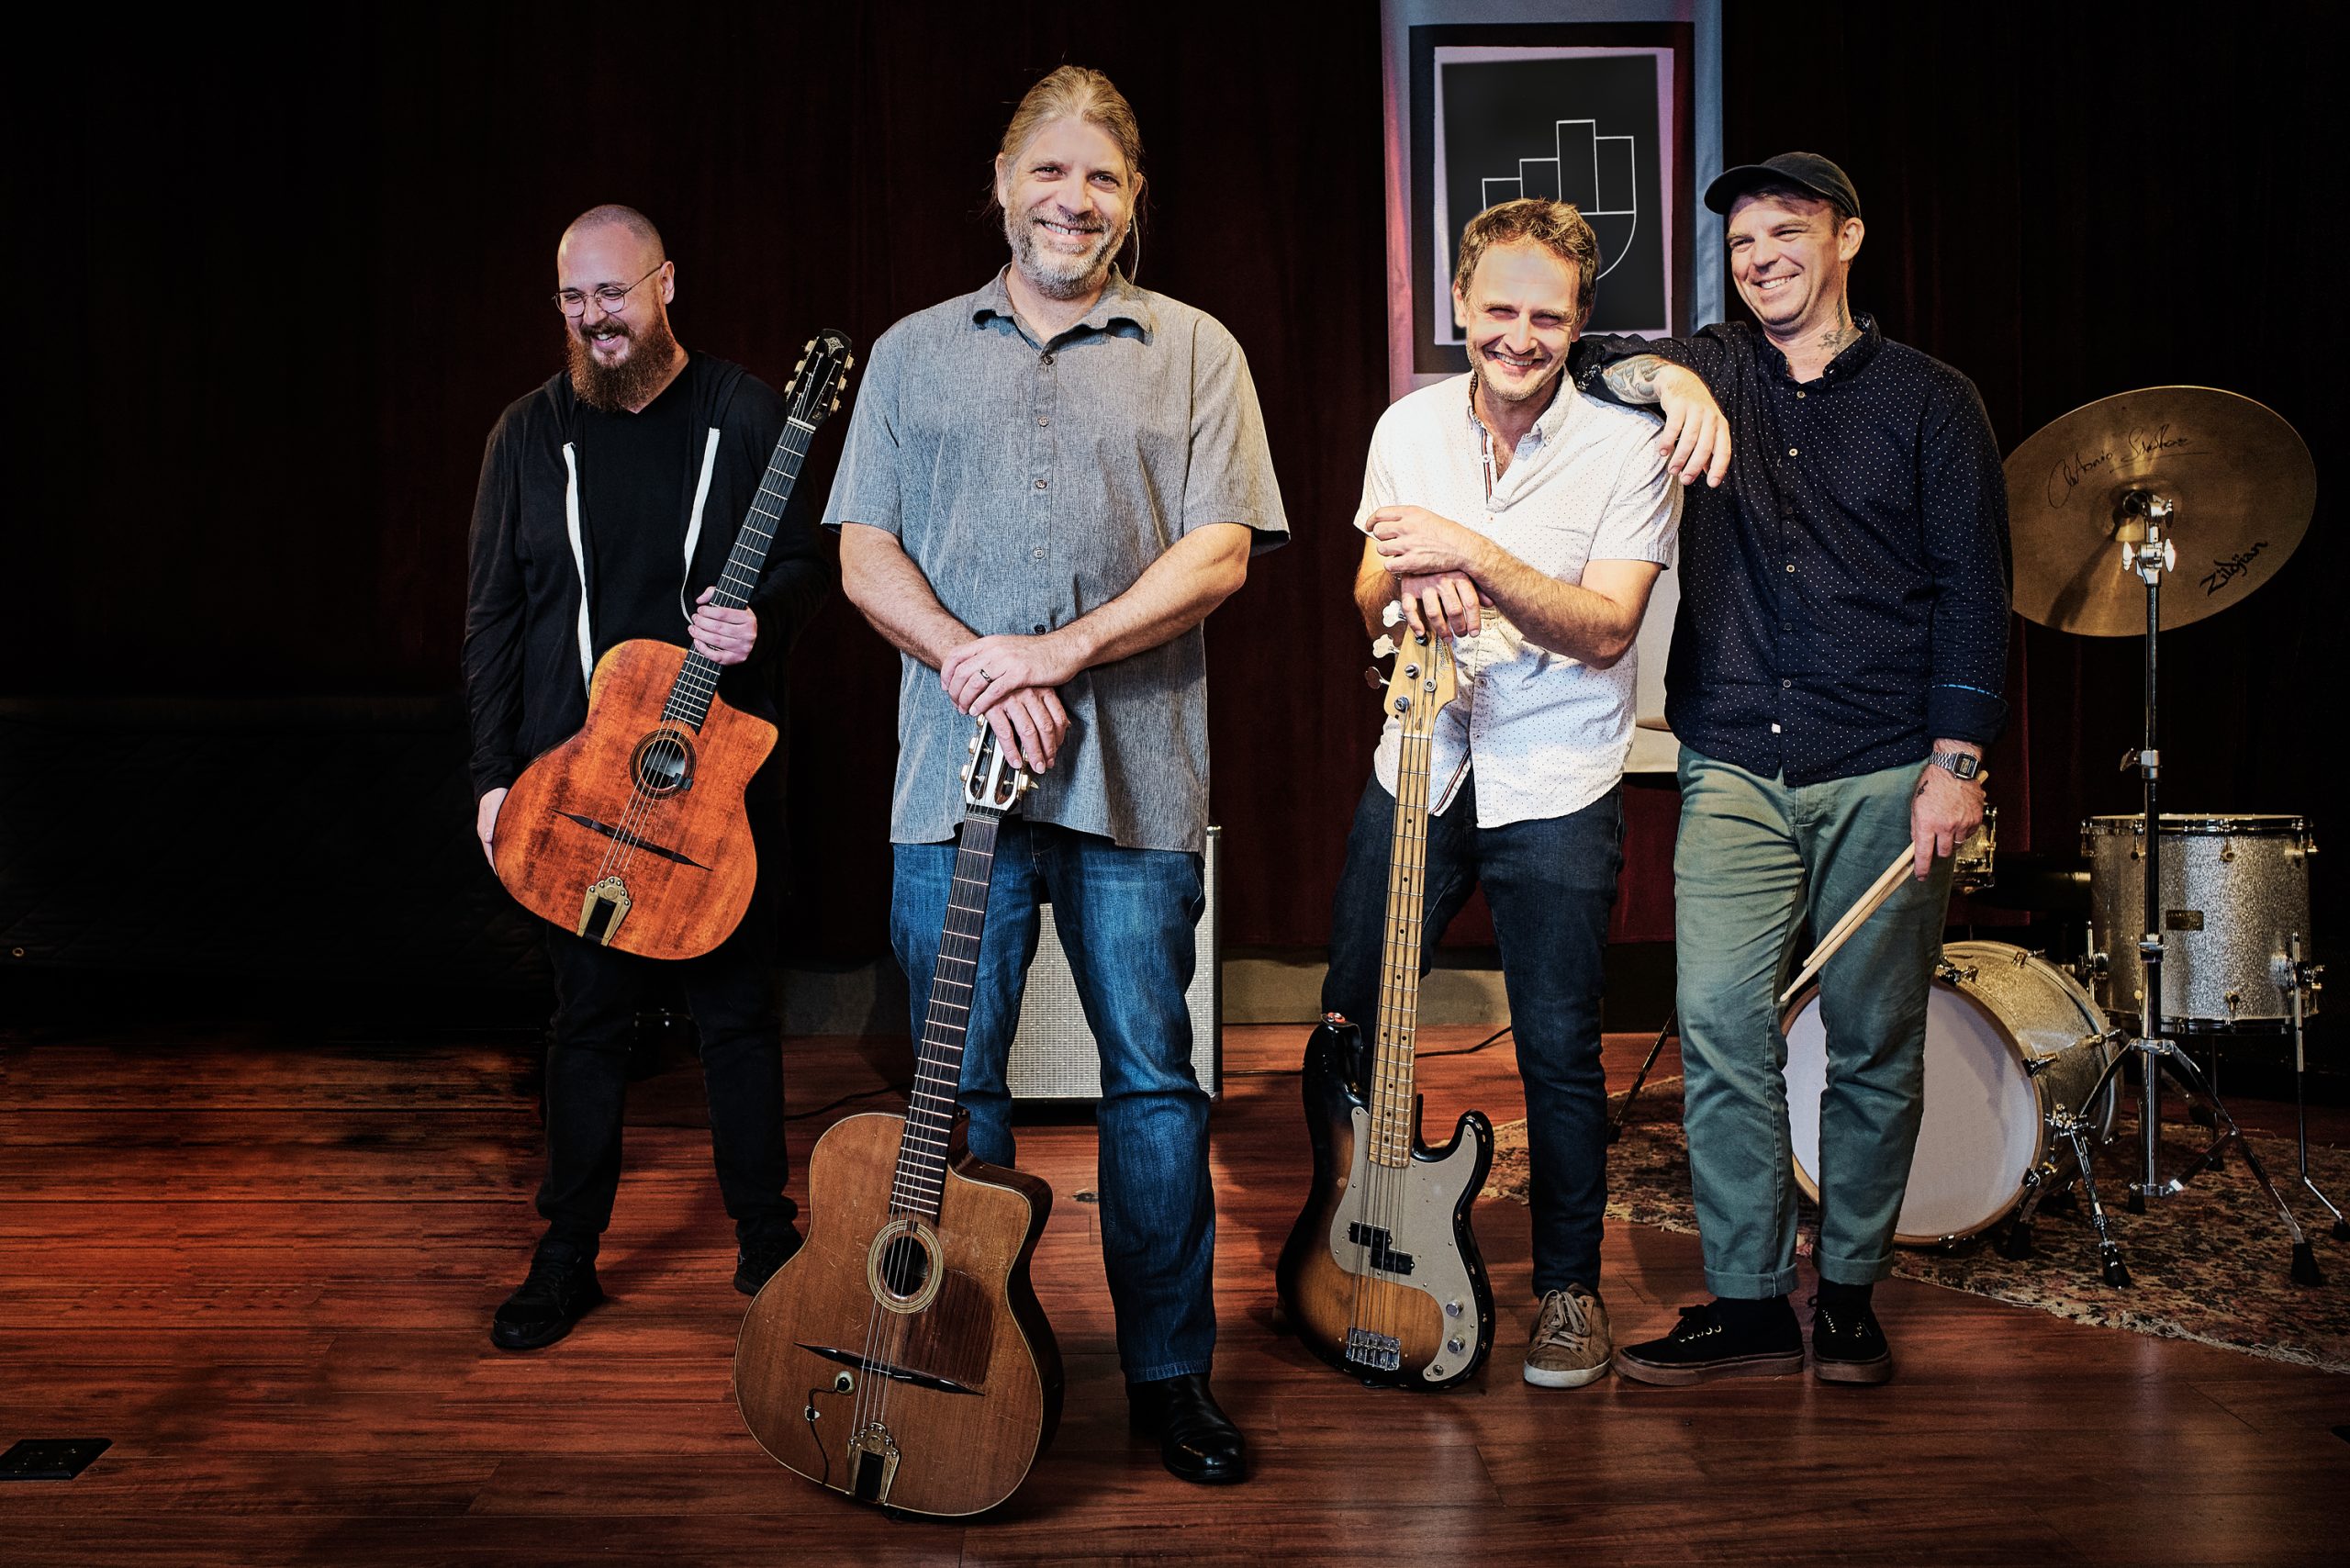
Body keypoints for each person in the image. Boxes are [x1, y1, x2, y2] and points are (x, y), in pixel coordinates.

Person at [822, 66, 1284, 1484]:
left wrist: (1057, 653)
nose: (1072, 200)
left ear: (1134, 200)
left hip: (1134, 784)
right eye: (1049, 171)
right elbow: (862, 551)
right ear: (1004, 183)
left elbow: (1221, 551)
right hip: (942, 793)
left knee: (1155, 1088)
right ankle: (973, 1350)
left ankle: (1166, 1379)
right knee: (950, 1099)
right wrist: (975, 663)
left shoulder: (1197, 349)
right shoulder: (910, 353)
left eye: (1101, 178)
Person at [1572, 152, 2008, 1385]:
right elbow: (1584, 360)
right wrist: (1668, 377)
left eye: (1785, 231)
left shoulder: (1932, 402)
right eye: (1741, 239)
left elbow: (1979, 595)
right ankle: (1753, 1299)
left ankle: (1853, 1293)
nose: (1758, 254)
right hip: (1732, 764)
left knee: (1874, 1042)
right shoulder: (1709, 369)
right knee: (1718, 1028)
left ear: (1848, 240)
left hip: (1887, 768)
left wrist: (1957, 764)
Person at [1323, 197, 1680, 1389]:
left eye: (1547, 315)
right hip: (1417, 761)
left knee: (1560, 1052)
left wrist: (1472, 556)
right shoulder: (1407, 429)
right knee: (1353, 1015)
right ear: (1457, 308)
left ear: (1578, 322)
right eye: (1499, 310)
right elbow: (1368, 587)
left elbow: (1606, 626)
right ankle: (1362, 1236)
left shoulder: (1628, 449)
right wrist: (1400, 593)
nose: (1519, 335)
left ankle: (1570, 1293)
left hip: (1558, 773)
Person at [463, 204, 834, 1351]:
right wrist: (489, 777)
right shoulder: (525, 435)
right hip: (572, 790)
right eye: (574, 299)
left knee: (735, 1016)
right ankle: (566, 1253)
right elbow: (491, 616)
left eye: (612, 295)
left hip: (709, 778)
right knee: (584, 1022)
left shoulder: (742, 410)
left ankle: (765, 1238)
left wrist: (759, 619)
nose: (593, 319)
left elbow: (814, 554)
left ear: (665, 283)